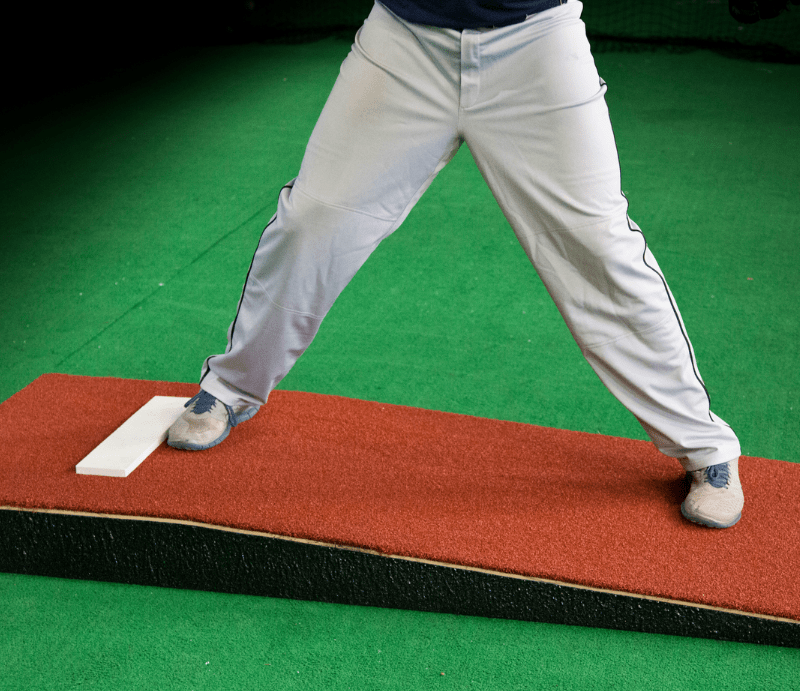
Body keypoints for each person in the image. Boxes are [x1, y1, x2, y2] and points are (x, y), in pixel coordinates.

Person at [167, 0, 744, 528]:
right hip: (403, 41)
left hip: (536, 44)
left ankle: (703, 446)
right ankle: (230, 387)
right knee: (312, 220)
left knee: (596, 243)